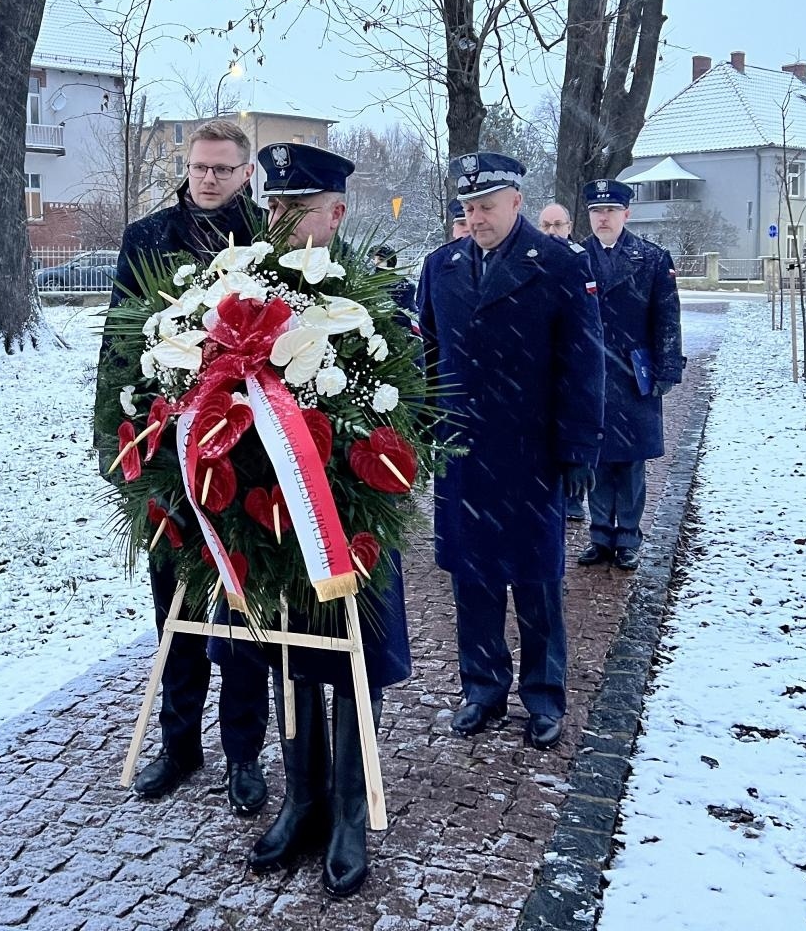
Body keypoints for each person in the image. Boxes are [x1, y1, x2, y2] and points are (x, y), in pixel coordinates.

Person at [234, 141, 413, 898]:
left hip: (351, 520)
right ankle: (301, 799)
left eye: (295, 206)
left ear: (336, 213)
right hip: (274, 519)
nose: (279, 219)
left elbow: (408, 416)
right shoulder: (241, 291)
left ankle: (346, 810)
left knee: (350, 661)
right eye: (272, 206)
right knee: (287, 655)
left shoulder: (379, 298)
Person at [97, 119, 271, 815]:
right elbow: (117, 342)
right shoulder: (147, 238)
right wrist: (117, 444)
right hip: (167, 456)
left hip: (247, 453)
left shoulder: (268, 237)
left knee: (242, 607)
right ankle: (178, 744)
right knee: (173, 606)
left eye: (223, 170)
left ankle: (244, 754)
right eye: (200, 167)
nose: (207, 179)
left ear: (245, 173)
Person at [418, 153, 605, 750]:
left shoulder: (554, 264)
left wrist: (578, 446)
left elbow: (583, 361)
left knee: (536, 580)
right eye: (469, 208)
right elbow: (428, 358)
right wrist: (426, 430)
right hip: (462, 452)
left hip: (531, 451)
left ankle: (544, 696)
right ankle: (481, 688)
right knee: (471, 579)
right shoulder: (440, 266)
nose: (476, 218)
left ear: (516, 202)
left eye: (487, 206)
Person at [575, 179, 686, 571]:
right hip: (589, 373)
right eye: (595, 211)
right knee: (598, 457)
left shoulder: (652, 258)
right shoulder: (574, 258)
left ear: (627, 213)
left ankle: (629, 537)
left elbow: (666, 317)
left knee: (632, 459)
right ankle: (600, 534)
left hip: (633, 370)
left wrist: (668, 366)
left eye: (610, 211)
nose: (602, 218)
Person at [537, 202, 587, 524]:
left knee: (574, 428)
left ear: (569, 226)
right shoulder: (531, 260)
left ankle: (574, 499)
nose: (552, 231)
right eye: (546, 225)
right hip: (541, 365)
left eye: (558, 224)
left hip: (574, 360)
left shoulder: (580, 259)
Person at [369, 242, 417, 329]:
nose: (375, 262)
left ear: (390, 261)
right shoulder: (366, 279)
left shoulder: (403, 285)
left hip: (395, 328)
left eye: (380, 259)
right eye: (373, 258)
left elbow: (409, 313)